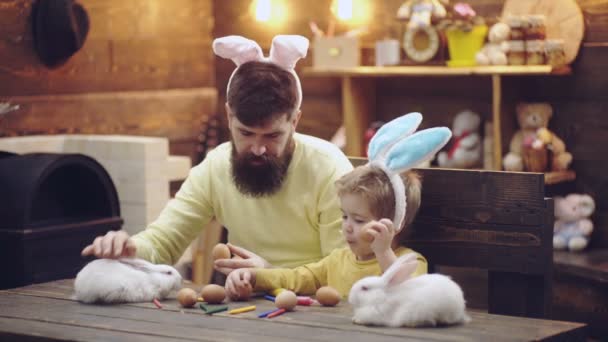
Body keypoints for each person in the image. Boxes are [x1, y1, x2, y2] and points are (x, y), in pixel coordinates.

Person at [81, 35, 353, 272]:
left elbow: (345, 269)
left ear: (294, 121)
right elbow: (164, 242)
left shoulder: (329, 169)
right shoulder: (216, 166)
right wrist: (129, 248)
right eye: (245, 133)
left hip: (314, 312)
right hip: (244, 307)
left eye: (272, 136)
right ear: (228, 115)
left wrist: (272, 274)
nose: (258, 149)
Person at [225, 165, 427, 299]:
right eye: (345, 216)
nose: (347, 226)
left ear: (393, 225)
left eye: (358, 220)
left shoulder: (410, 262)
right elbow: (297, 278)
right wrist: (254, 277)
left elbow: (410, 295)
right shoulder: (337, 260)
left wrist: (383, 253)